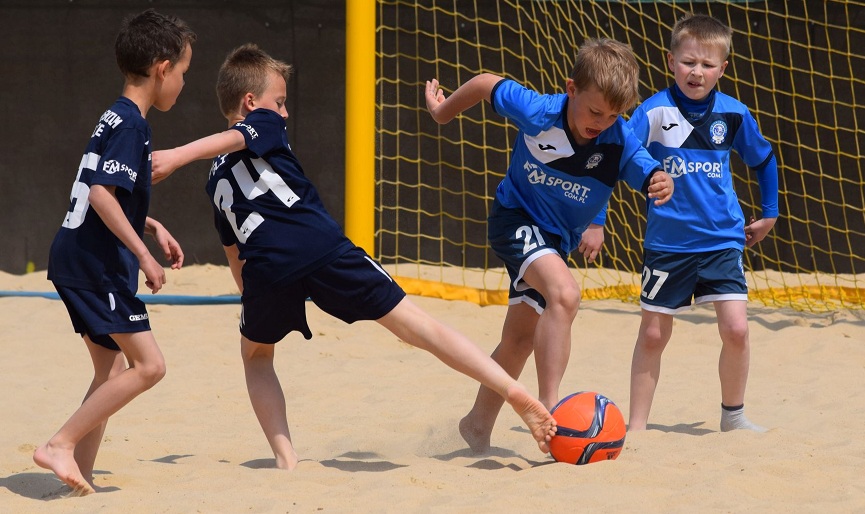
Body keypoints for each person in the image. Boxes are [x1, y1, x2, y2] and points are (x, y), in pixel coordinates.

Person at [151, 43, 557, 469]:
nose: (284, 113)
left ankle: (287, 461)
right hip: (318, 244)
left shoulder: (214, 178)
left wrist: (252, 296)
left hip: (265, 269)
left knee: (255, 355)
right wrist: (177, 155)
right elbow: (238, 135)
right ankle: (515, 394)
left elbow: (233, 249)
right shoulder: (262, 122)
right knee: (417, 327)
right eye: (280, 102)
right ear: (251, 103)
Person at [424, 38, 675, 453]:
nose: (603, 122)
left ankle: (476, 423)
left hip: (555, 241)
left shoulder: (619, 137)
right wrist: (442, 112)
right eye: (596, 111)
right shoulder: (539, 111)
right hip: (515, 219)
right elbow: (487, 82)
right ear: (572, 88)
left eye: (614, 114)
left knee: (520, 339)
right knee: (565, 293)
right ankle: (550, 406)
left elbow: (641, 168)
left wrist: (657, 181)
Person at [33, 10, 194, 495]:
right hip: (93, 265)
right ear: (162, 68)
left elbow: (95, 189)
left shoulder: (115, 115)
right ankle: (59, 444)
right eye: (184, 73)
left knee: (111, 369)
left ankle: (74, 470)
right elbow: (101, 194)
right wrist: (144, 255)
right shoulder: (131, 126)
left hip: (75, 256)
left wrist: (151, 223)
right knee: (150, 366)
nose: (183, 84)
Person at [625, 13, 778, 432]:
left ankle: (733, 417)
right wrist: (595, 221)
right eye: (689, 61)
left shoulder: (733, 114)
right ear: (670, 60)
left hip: (721, 240)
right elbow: (615, 157)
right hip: (668, 244)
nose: (697, 71)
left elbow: (764, 160)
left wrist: (769, 214)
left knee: (737, 330)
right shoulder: (652, 111)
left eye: (708, 64)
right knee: (654, 335)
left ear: (722, 69)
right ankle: (637, 428)